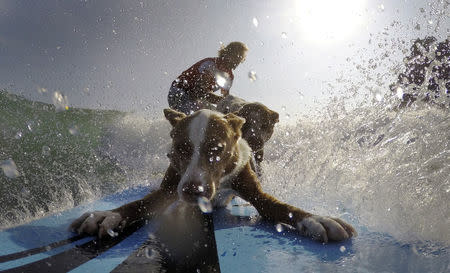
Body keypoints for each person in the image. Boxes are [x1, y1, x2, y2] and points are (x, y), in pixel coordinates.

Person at [168, 41, 248, 114]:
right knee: (208, 118)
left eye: (241, 59)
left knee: (221, 118)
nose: (238, 61)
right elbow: (199, 91)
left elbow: (225, 101)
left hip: (196, 99)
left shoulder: (230, 77)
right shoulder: (210, 64)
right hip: (178, 92)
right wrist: (226, 101)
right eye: (237, 56)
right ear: (228, 54)